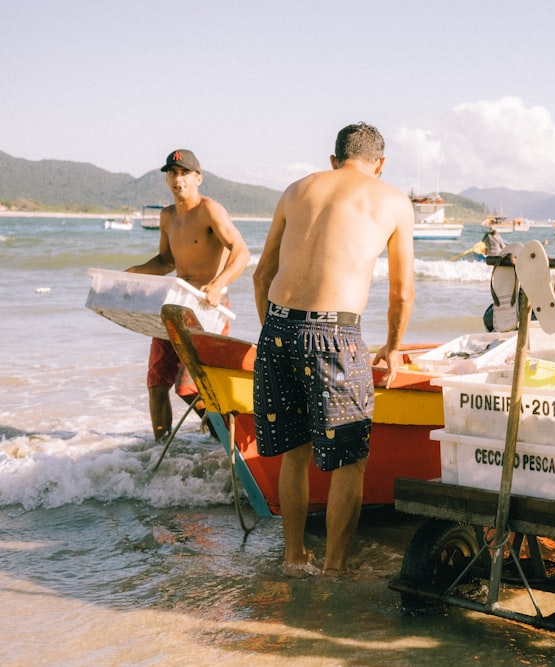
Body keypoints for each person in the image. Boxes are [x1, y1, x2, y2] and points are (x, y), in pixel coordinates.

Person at [252, 122, 415, 577]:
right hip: (334, 334)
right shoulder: (392, 199)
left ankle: (292, 557)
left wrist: (277, 336)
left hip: (278, 328)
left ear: (333, 159)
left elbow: (261, 276)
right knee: (349, 461)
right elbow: (402, 294)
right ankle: (334, 569)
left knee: (295, 453)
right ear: (379, 164)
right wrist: (393, 347)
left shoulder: (296, 189)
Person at [126, 149, 250, 441]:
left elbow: (242, 252)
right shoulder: (167, 216)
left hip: (207, 308)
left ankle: (229, 438)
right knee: (157, 384)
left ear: (198, 178)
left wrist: (218, 284)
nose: (177, 179)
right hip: (174, 304)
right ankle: (162, 451)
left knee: (188, 387)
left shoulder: (210, 210)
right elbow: (166, 261)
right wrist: (135, 272)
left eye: (184, 173)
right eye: (172, 173)